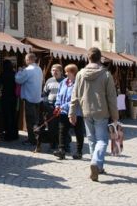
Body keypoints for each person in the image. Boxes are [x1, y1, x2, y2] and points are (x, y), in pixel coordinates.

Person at [69, 47, 118, 182]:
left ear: (88, 58)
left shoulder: (80, 74)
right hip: (101, 111)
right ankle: (96, 162)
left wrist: (72, 112)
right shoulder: (106, 74)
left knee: (92, 140)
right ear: (100, 58)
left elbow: (75, 94)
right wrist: (115, 116)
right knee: (102, 140)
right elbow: (112, 98)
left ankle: (98, 166)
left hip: (86, 111)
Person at [53, 64, 84, 160]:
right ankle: (61, 150)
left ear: (73, 73)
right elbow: (58, 95)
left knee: (78, 132)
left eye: (67, 72)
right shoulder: (63, 82)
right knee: (62, 131)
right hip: (63, 112)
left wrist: (63, 106)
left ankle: (79, 152)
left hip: (76, 112)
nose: (65, 73)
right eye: (65, 71)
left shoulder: (78, 84)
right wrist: (57, 105)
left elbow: (76, 99)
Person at [15, 53, 43, 145]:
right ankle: (37, 138)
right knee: (35, 120)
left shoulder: (27, 70)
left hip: (29, 98)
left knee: (30, 120)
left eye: (26, 59)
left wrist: (19, 71)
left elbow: (18, 80)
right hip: (37, 98)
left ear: (29, 60)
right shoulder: (39, 69)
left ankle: (32, 140)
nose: (25, 61)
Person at [41, 64, 66, 152]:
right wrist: (45, 103)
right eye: (53, 70)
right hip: (50, 106)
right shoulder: (49, 81)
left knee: (61, 126)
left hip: (61, 107)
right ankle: (52, 144)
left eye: (56, 70)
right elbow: (44, 94)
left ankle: (63, 144)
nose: (54, 72)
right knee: (51, 126)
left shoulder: (65, 81)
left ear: (61, 71)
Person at [0, 59, 18, 141]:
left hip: (5, 97)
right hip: (13, 97)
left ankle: (8, 135)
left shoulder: (3, 74)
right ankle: (15, 134)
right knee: (13, 115)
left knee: (6, 116)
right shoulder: (14, 74)